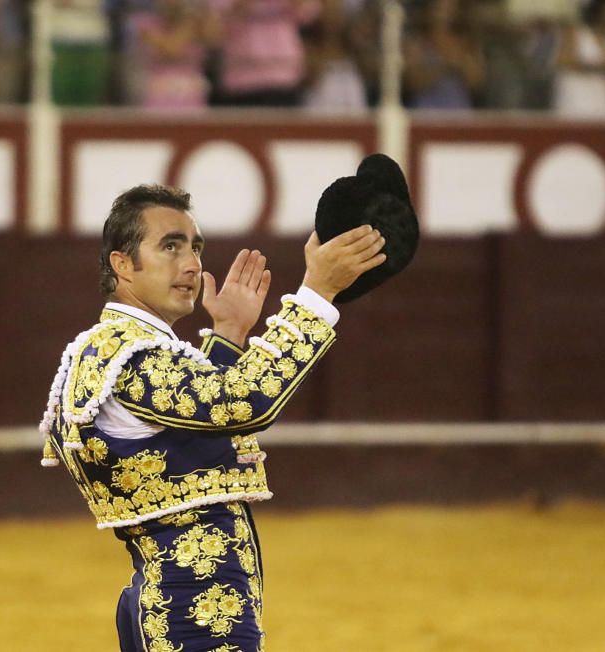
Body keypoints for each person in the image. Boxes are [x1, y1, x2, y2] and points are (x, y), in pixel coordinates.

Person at [39, 183, 387, 650]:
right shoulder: (129, 356)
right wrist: (317, 293)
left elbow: (197, 423)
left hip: (178, 596)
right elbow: (242, 402)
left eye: (195, 247)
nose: (191, 264)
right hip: (194, 609)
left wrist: (226, 336)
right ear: (122, 264)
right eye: (169, 246)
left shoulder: (112, 351)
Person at [552, 0, 605, 117]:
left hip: (602, 103)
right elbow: (563, 60)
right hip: (575, 104)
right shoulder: (576, 32)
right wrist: (600, 66)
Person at [403, 0, 485, 110]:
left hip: (459, 112)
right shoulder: (417, 42)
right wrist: (444, 67)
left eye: (448, 5)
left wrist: (460, 64)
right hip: (426, 112)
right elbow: (412, 82)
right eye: (439, 5)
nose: (443, 11)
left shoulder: (466, 41)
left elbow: (476, 82)